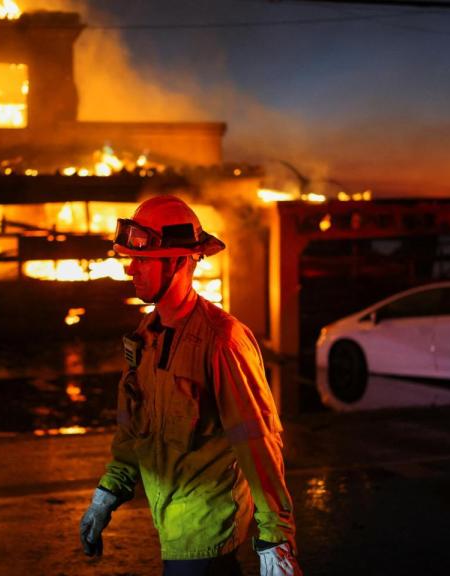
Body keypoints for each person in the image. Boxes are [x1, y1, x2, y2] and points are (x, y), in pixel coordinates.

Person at [79, 195, 302, 576]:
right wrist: (108, 493)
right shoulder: (145, 336)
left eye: (144, 261)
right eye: (131, 259)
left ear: (181, 261)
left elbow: (257, 441)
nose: (131, 269)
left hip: (208, 530)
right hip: (171, 527)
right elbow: (135, 432)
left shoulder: (222, 340)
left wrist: (276, 538)